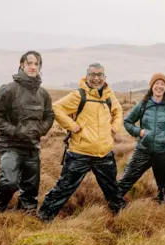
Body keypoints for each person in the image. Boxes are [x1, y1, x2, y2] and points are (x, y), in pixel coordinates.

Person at [38, 63, 124, 222]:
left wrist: (114, 127)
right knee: (64, 187)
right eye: (93, 75)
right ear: (87, 76)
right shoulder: (79, 95)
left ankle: (122, 217)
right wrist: (72, 126)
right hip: (80, 152)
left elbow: (118, 111)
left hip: (104, 153)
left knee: (112, 189)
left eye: (100, 75)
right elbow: (56, 108)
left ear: (104, 77)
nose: (96, 78)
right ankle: (44, 218)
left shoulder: (109, 96)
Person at [0, 51, 54, 213]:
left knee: (31, 188)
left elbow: (49, 115)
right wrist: (16, 131)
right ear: (21, 65)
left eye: (36, 64)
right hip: (10, 144)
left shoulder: (43, 93)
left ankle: (26, 217)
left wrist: (40, 130)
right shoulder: (8, 90)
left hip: (32, 145)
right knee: (8, 182)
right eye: (29, 63)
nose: (33, 67)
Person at [118, 73, 165, 205]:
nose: (159, 86)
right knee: (124, 181)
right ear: (152, 86)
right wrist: (139, 132)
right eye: (157, 83)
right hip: (143, 150)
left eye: (162, 84)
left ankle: (163, 213)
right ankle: (114, 207)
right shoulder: (143, 104)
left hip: (164, 152)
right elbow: (127, 122)